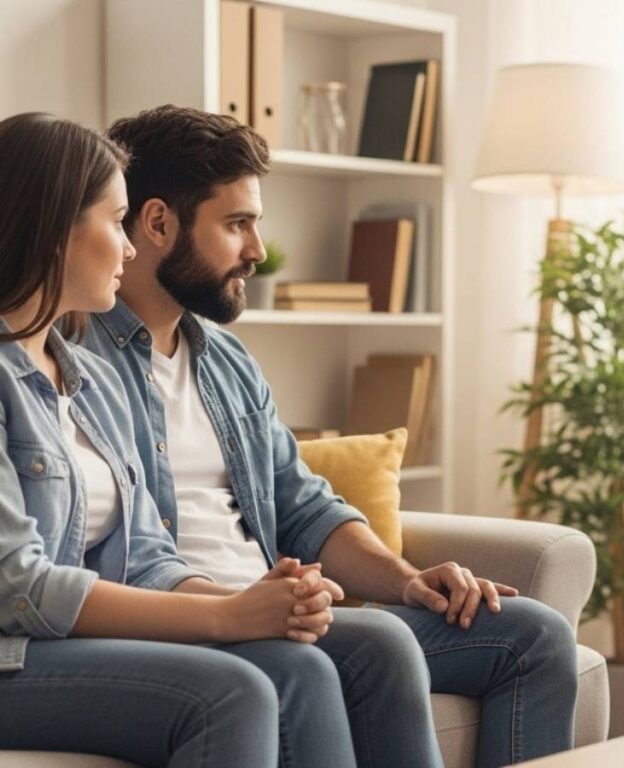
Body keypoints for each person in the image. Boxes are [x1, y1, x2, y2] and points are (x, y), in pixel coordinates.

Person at [79, 104, 579, 768]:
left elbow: (302, 505)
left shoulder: (225, 361)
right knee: (377, 645)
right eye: (237, 225)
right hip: (193, 623)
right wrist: (243, 607)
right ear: (159, 223)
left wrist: (407, 582)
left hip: (280, 612)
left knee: (536, 637)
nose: (257, 251)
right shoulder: (75, 359)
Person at [0, 112, 358, 767]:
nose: (131, 247)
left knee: (299, 667)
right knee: (232, 693)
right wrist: (226, 618)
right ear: (54, 230)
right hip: (13, 650)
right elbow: (14, 584)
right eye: (115, 221)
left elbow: (143, 557)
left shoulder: (90, 381)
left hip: (64, 644)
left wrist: (256, 602)